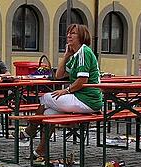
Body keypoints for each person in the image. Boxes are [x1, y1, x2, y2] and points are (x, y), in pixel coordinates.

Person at [24, 24, 103, 158]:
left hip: (87, 99)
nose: (69, 36)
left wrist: (65, 91)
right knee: (49, 114)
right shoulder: (74, 55)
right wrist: (66, 55)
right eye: (68, 33)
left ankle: (30, 130)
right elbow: (59, 75)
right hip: (80, 98)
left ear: (82, 36)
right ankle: (40, 150)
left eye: (73, 33)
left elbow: (82, 80)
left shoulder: (84, 51)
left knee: (45, 98)